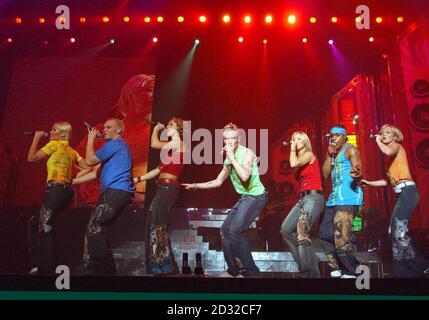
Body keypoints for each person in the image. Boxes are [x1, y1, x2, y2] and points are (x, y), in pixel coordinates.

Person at [183, 123, 267, 278]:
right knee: (225, 231)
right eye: (226, 139)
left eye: (233, 138)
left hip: (256, 196)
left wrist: (232, 157)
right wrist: (195, 186)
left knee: (235, 231)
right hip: (245, 197)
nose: (229, 142)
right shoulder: (229, 160)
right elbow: (217, 182)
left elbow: (244, 177)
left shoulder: (247, 153)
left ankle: (252, 273)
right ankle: (233, 271)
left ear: (238, 139)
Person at [361, 124, 429, 277]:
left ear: (395, 136)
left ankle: (420, 266)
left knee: (399, 232)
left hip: (408, 192)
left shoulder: (396, 147)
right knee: (394, 231)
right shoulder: (390, 159)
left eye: (387, 132)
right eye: (381, 132)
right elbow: (387, 181)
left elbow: (386, 149)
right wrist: (370, 183)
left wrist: (377, 139)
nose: (383, 134)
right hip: (402, 194)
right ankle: (402, 269)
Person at [73, 118, 135, 275]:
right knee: (98, 229)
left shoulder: (116, 144)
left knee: (95, 227)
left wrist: (91, 138)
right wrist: (72, 181)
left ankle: (99, 268)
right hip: (115, 192)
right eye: (105, 127)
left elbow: (89, 160)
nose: (104, 129)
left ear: (119, 130)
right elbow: (94, 173)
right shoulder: (115, 149)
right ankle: (107, 271)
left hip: (116, 191)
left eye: (109, 127)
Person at [27, 122, 88, 274]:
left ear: (62, 134)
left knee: (45, 226)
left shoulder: (53, 144)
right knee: (35, 223)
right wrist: (74, 179)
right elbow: (88, 166)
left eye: (53, 129)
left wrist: (36, 138)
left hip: (55, 189)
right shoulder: (73, 152)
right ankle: (39, 263)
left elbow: (32, 158)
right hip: (65, 192)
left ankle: (48, 267)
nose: (50, 131)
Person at [134, 117, 186, 275]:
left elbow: (155, 144)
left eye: (172, 125)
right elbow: (157, 171)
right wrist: (138, 179)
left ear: (179, 129)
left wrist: (156, 129)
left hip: (168, 188)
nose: (168, 127)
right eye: (168, 124)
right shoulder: (171, 151)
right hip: (162, 187)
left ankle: (165, 266)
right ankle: (159, 265)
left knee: (157, 225)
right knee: (152, 223)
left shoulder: (179, 143)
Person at [318, 124, 363, 278]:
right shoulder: (331, 153)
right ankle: (337, 267)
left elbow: (358, 168)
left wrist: (356, 172)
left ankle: (355, 272)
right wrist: (329, 155)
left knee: (341, 237)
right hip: (334, 199)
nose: (334, 138)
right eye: (332, 135)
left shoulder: (350, 149)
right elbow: (324, 174)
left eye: (337, 134)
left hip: (349, 198)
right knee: (323, 233)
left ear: (345, 137)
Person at [280, 131, 324, 278]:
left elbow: (293, 163)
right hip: (303, 198)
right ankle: (310, 259)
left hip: (314, 197)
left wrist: (291, 148)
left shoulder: (309, 154)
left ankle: (310, 274)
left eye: (298, 139)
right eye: (293, 139)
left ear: (305, 141)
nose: (295, 141)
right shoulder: (301, 158)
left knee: (302, 231)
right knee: (286, 230)